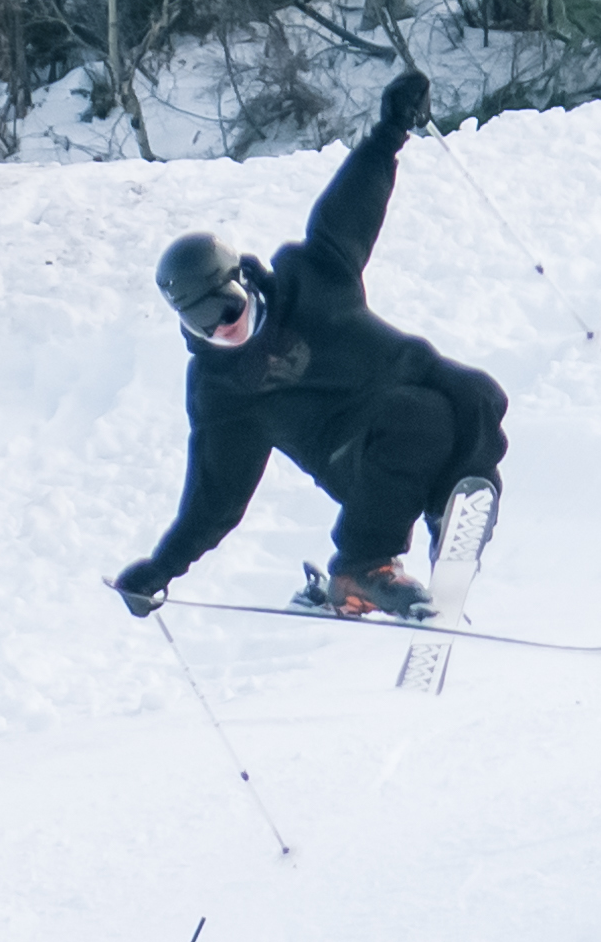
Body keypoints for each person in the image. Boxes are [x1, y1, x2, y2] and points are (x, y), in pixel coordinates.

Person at [107, 69, 507, 626]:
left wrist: (391, 131)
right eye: (201, 325)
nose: (221, 329)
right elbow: (214, 498)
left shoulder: (311, 277)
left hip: (407, 391)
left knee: (475, 395)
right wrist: (162, 568)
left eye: (225, 309)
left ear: (241, 282)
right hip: (355, 457)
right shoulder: (223, 392)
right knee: (417, 419)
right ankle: (360, 568)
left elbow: (351, 208)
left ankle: (453, 507)